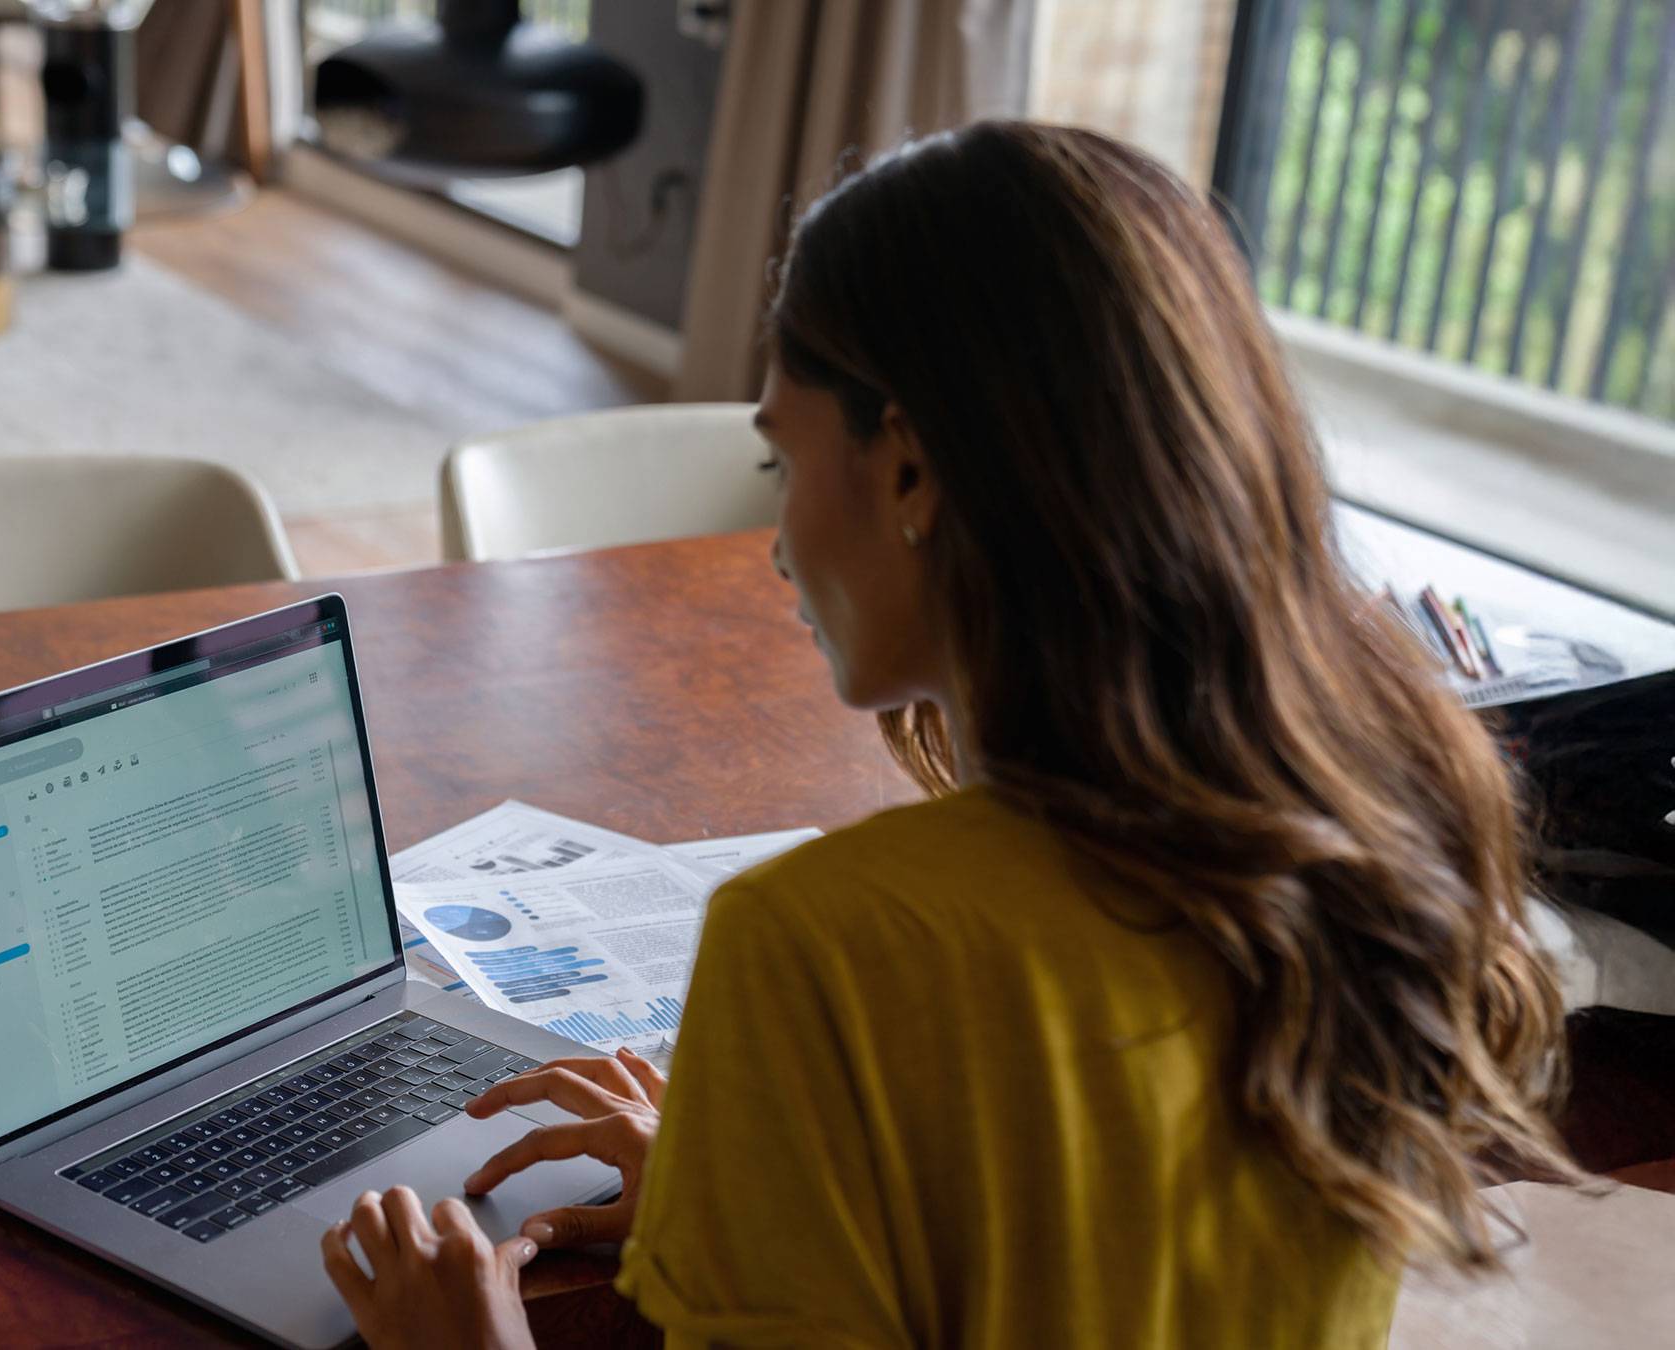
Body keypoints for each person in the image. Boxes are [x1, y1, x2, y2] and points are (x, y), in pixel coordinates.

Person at [313, 121, 1585, 1349]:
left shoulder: (818, 944)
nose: (775, 545)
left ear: (909, 472)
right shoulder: (1381, 833)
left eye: (781, 468)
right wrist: (741, 1196)